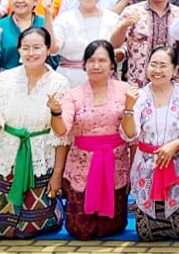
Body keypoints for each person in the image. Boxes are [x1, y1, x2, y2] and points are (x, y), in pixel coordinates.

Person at [0, 26, 68, 238]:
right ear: (18, 50)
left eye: (37, 47)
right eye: (25, 48)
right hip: (6, 152)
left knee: (32, 226)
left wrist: (57, 174)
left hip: (39, 156)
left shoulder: (59, 83)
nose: (31, 53)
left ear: (48, 50)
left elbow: (61, 136)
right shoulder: (4, 79)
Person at [50, 41, 133, 239]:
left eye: (102, 61)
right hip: (82, 166)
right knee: (81, 229)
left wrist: (132, 170)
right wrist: (55, 113)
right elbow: (62, 131)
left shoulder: (126, 91)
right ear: (84, 64)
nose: (96, 66)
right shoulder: (74, 95)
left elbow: (132, 135)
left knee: (113, 226)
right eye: (91, 61)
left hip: (115, 164)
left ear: (112, 64)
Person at [123, 46, 179, 241]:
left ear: (175, 69)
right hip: (147, 166)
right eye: (153, 64)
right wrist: (128, 109)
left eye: (163, 66)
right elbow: (130, 134)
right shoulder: (138, 96)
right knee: (146, 233)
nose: (157, 70)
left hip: (178, 165)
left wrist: (176, 145)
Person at [111, 0, 179, 87]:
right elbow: (114, 45)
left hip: (172, 83)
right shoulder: (131, 11)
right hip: (138, 84)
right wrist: (124, 26)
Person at [52, 0, 118, 87]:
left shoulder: (112, 18)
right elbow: (53, 50)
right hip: (69, 79)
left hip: (103, 78)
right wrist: (48, 16)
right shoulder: (64, 19)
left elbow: (121, 49)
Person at [0, 0, 55, 71]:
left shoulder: (45, 23)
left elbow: (54, 55)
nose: (20, 0)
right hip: (7, 76)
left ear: (36, 0)